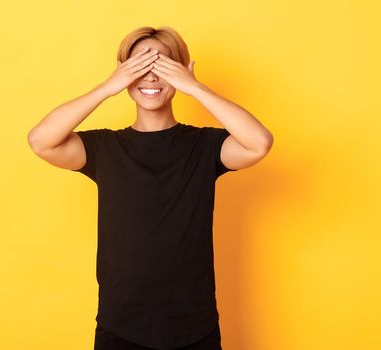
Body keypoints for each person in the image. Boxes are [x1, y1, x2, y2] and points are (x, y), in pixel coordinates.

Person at [27, 26, 273, 350]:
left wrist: (195, 87)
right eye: (140, 66)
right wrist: (107, 87)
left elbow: (259, 143)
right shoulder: (105, 148)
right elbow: (40, 140)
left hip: (195, 328)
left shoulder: (204, 146)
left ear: (181, 71)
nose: (151, 76)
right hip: (120, 327)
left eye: (162, 66)